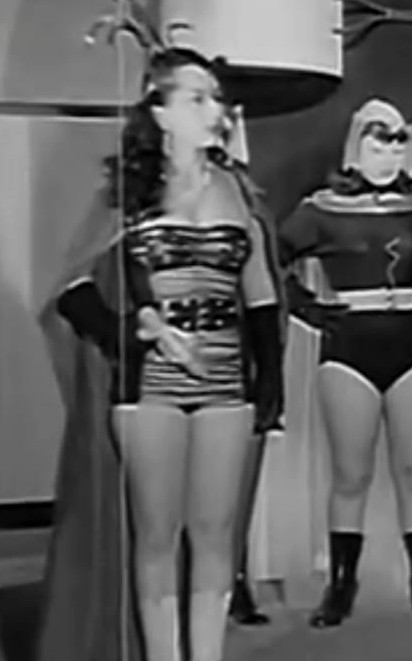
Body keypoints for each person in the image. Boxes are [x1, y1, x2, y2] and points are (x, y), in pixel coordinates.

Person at [37, 46, 285, 661]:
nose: (214, 110)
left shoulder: (239, 191)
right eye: (196, 98)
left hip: (227, 381)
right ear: (161, 111)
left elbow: (260, 293)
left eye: (216, 97)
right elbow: (70, 286)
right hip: (149, 384)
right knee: (156, 536)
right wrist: (128, 329)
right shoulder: (128, 192)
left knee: (216, 536)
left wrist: (270, 377)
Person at [277, 99, 412, 627]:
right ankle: (341, 584)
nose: (389, 154)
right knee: (351, 473)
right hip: (350, 345)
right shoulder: (320, 209)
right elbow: (268, 259)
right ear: (355, 147)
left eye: (398, 143)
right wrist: (308, 308)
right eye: (378, 143)